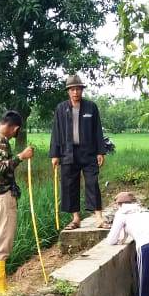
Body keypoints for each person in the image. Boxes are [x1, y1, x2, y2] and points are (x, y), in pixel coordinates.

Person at [0, 111, 34, 296]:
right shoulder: (1, 141)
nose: (14, 135)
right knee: (1, 247)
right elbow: (0, 169)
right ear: (15, 128)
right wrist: (21, 156)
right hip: (2, 198)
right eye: (16, 132)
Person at [50, 73, 107, 229]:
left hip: (88, 151)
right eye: (72, 90)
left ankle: (99, 218)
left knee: (92, 183)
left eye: (78, 89)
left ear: (82, 90)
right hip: (68, 152)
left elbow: (97, 131)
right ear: (68, 91)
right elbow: (56, 131)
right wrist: (54, 154)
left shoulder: (91, 107)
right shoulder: (61, 108)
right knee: (69, 185)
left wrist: (100, 151)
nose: (75, 92)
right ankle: (75, 218)